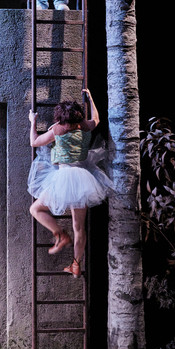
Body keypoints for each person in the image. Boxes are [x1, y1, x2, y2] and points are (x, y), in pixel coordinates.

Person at [27, 89, 113, 278]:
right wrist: (91, 98)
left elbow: (34, 142)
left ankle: (60, 235)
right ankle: (76, 264)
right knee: (79, 227)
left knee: (35, 209)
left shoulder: (57, 129)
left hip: (64, 177)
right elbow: (96, 119)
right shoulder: (85, 126)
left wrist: (33, 121)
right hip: (82, 178)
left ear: (60, 117)